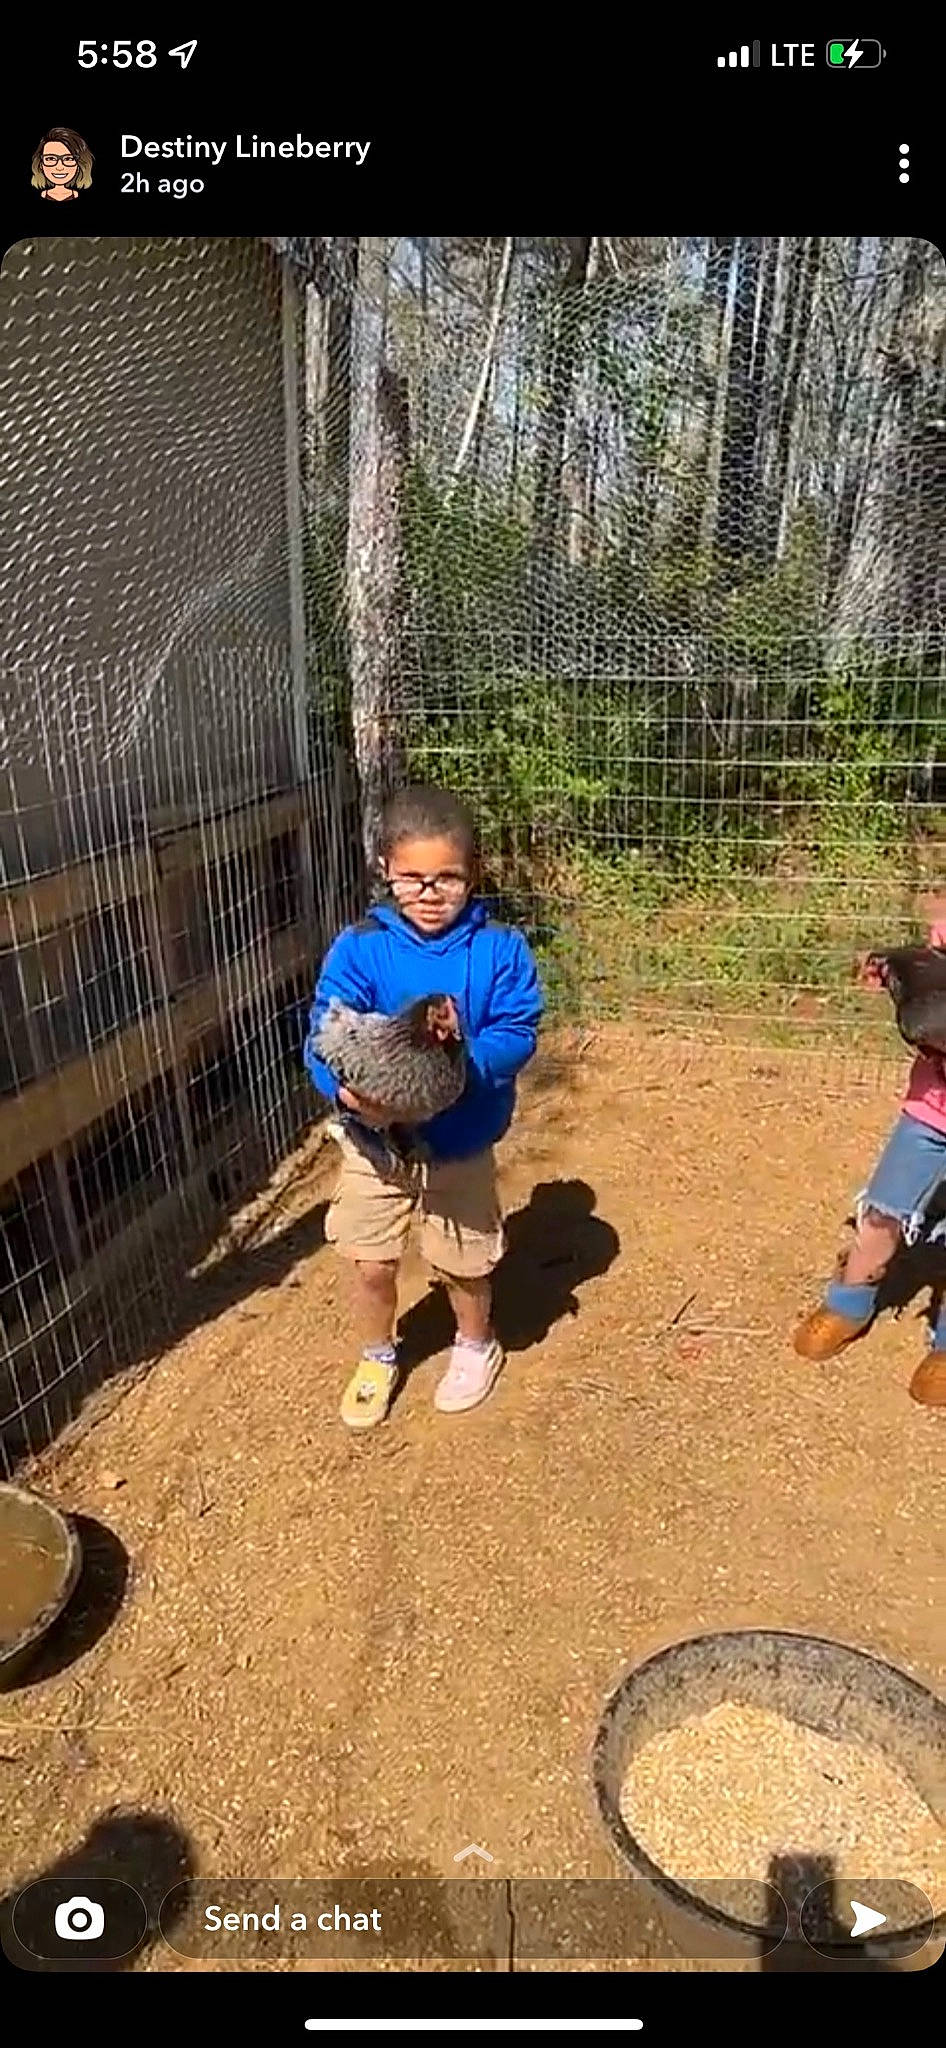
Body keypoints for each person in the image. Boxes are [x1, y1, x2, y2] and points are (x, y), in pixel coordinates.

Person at [304, 785, 543, 1429]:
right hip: (372, 1140)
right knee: (370, 1258)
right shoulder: (361, 947)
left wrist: (463, 1071)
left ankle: (474, 1343)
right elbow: (324, 1030)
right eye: (412, 878)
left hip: (460, 1139)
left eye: (447, 878)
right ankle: (379, 1353)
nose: (429, 893)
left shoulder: (499, 948)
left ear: (472, 874)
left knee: (463, 1258)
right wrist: (343, 1091)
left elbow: (519, 1029)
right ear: (385, 870)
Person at [793, 904, 946, 1406]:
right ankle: (849, 1302)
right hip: (931, 1110)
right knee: (884, 1209)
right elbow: (930, 969)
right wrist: (895, 972)